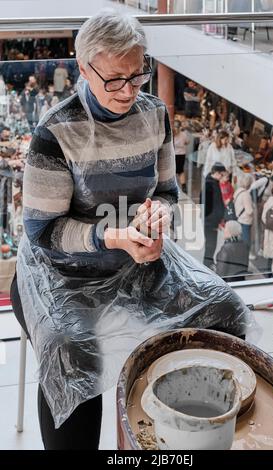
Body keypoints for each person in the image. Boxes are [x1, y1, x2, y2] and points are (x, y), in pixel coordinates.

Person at [11, 11, 247, 451]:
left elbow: (168, 193)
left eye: (138, 75)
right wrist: (113, 236)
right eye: (114, 80)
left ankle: (178, 428)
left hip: (137, 257)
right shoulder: (56, 130)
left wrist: (159, 218)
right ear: (83, 69)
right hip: (63, 270)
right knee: (73, 354)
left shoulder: (154, 113)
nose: (128, 91)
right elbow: (43, 231)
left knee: (226, 311)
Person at [201, 162, 226, 267]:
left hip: (211, 221)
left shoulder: (213, 182)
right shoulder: (209, 184)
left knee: (212, 244)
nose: (222, 177)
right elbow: (207, 206)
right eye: (221, 174)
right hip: (210, 222)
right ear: (216, 172)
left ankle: (209, 262)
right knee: (211, 245)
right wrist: (215, 221)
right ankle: (207, 264)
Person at [261, 181, 273, 274]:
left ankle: (267, 273)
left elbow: (263, 218)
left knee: (269, 254)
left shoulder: (269, 201)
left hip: (268, 231)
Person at [234, 172, 254, 247]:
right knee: (245, 240)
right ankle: (245, 255)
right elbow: (249, 211)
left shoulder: (238, 191)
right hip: (245, 220)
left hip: (238, 217)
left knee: (239, 239)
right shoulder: (246, 194)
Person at [173, 119, 189, 193]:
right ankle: (184, 186)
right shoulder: (183, 134)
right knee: (180, 171)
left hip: (174, 155)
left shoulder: (172, 134)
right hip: (182, 154)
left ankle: (174, 186)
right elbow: (187, 142)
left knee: (173, 171)